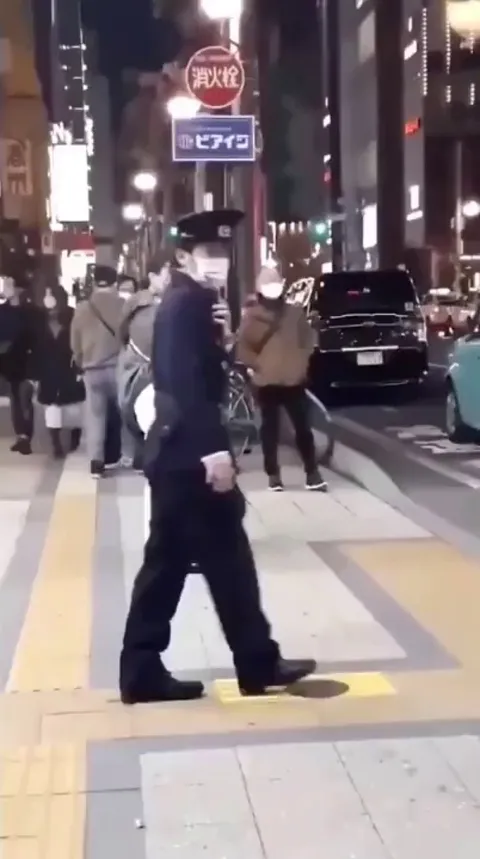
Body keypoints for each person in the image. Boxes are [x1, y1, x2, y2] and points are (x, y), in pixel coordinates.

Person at [119, 209, 316, 705]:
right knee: (186, 566)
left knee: (211, 563)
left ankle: (252, 662)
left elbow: (204, 373)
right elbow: (183, 383)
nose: (219, 262)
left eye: (224, 253)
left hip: (177, 456)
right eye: (209, 253)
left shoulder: (195, 302)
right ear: (184, 256)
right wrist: (213, 451)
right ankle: (241, 663)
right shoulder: (186, 303)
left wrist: (226, 342)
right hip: (189, 458)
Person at [236, 266, 327, 492]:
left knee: (302, 428)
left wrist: (301, 363)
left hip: (293, 379)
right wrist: (258, 367)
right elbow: (244, 348)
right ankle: (274, 475)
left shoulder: (294, 313)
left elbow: (309, 341)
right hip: (267, 382)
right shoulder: (252, 317)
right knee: (271, 429)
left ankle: (311, 472)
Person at [70, 265, 125, 477]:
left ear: (95, 283)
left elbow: (74, 342)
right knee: (123, 412)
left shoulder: (83, 308)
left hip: (92, 370)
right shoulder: (122, 304)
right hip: (118, 366)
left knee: (95, 415)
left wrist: (80, 358)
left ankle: (96, 462)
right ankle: (125, 455)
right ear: (115, 283)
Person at [32, 286, 85, 458]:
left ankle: (74, 440)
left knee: (74, 407)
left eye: (51, 294)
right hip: (48, 370)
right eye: (45, 294)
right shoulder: (39, 319)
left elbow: (80, 342)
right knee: (52, 408)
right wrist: (34, 373)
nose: (48, 298)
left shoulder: (72, 316)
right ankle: (56, 444)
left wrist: (80, 366)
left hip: (69, 368)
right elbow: (35, 348)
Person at [0, 278, 36, 455]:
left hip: (26, 361)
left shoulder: (28, 311)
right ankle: (21, 435)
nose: (6, 289)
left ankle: (26, 436)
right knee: (15, 399)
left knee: (24, 399)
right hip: (9, 362)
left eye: (8, 285)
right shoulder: (2, 310)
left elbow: (35, 337)